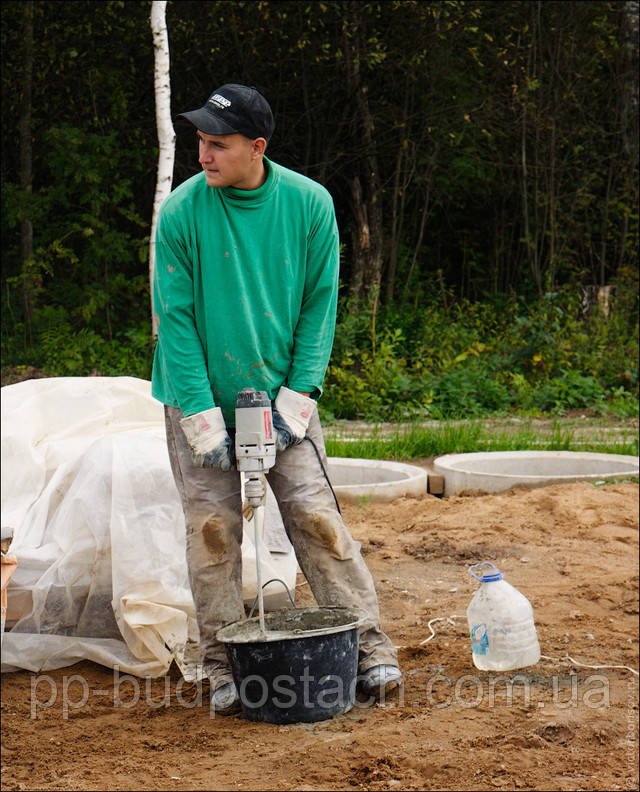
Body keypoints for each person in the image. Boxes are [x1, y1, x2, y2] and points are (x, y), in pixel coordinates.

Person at [152, 83, 402, 714]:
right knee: (212, 532)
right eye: (199, 141)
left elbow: (321, 302)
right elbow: (174, 318)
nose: (203, 154)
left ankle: (369, 649)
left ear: (255, 147)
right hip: (197, 396)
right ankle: (220, 664)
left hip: (283, 397)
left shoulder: (309, 204)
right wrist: (200, 415)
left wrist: (301, 393)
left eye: (218, 143)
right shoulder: (182, 213)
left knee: (317, 520)